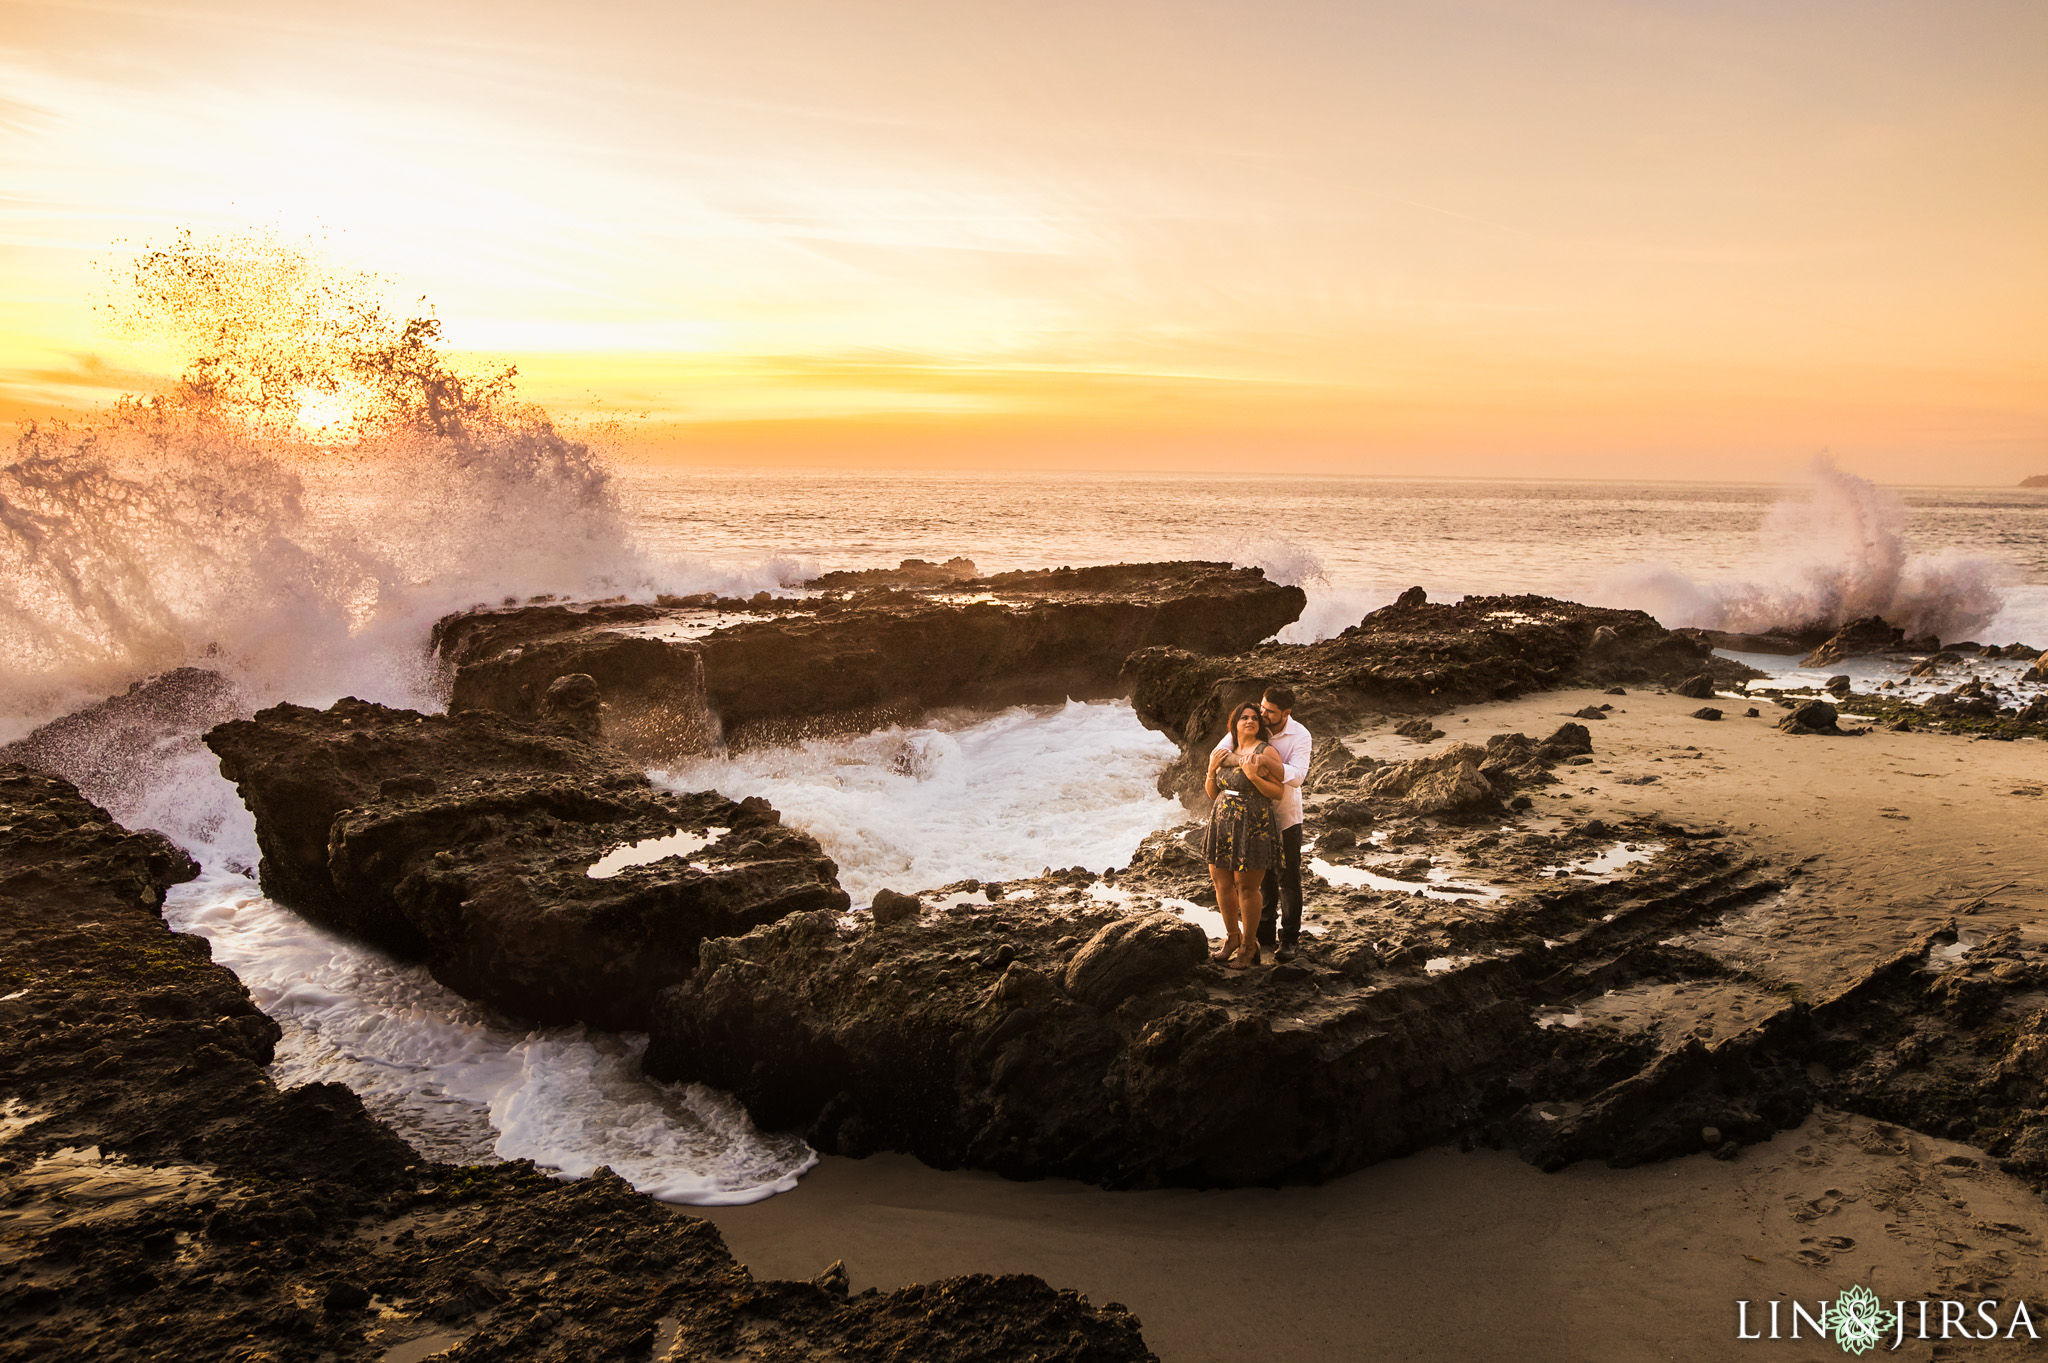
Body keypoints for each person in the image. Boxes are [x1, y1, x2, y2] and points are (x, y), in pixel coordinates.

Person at [1211, 685, 1311, 961]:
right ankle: (1262, 935)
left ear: (1286, 713)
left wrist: (1261, 766)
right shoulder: (1251, 728)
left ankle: (1289, 938)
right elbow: (1219, 755)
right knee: (1261, 880)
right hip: (1250, 820)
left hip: (1285, 815)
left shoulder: (1299, 735)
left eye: (1270, 712)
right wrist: (1249, 760)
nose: (1262, 714)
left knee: (1288, 878)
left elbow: (1297, 776)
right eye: (1262, 707)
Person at [1202, 701, 1285, 970]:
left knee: (1247, 887)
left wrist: (1253, 775)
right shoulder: (1225, 751)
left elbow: (1278, 792)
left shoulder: (1266, 750)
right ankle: (1232, 938)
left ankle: (1250, 944)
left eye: (1254, 718)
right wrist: (1211, 771)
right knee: (1221, 883)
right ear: (1235, 724)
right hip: (1222, 822)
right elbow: (1212, 793)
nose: (1250, 721)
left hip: (1254, 824)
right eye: (1244, 718)